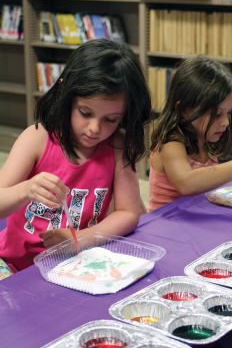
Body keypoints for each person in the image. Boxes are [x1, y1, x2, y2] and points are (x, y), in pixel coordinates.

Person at [0, 38, 151, 274]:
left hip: (75, 266)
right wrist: (26, 189)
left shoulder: (117, 147)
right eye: (85, 113)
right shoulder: (38, 138)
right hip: (15, 265)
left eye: (110, 119)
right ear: (67, 97)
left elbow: (129, 212)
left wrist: (78, 239)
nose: (94, 128)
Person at [148, 55, 232, 211]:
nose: (225, 122)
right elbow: (186, 183)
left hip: (197, 221)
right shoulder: (171, 144)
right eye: (216, 114)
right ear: (184, 109)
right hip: (166, 226)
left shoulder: (205, 138)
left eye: (228, 113)